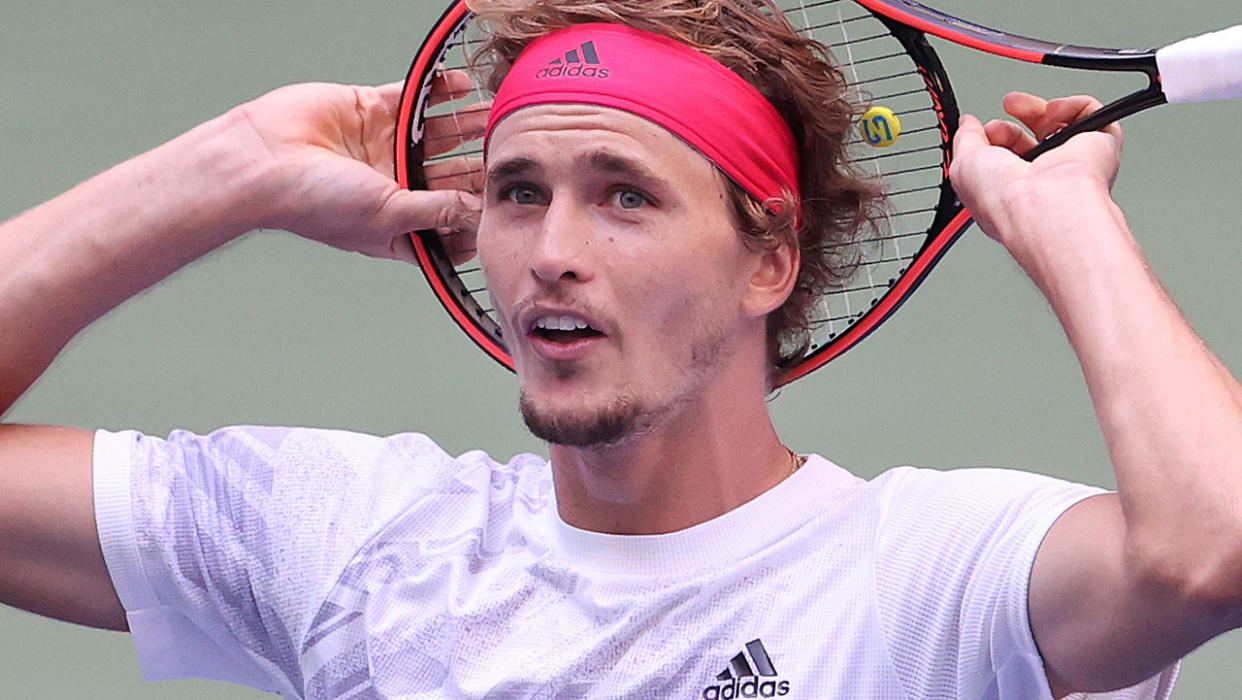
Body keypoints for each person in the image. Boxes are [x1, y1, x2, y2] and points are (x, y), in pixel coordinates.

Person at [0, 0, 1238, 697]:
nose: (551, 249)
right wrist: (227, 168)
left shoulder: (933, 582)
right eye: (519, 191)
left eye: (626, 196)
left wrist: (1069, 224)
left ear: (770, 259)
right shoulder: (356, 545)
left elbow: (1209, 550)